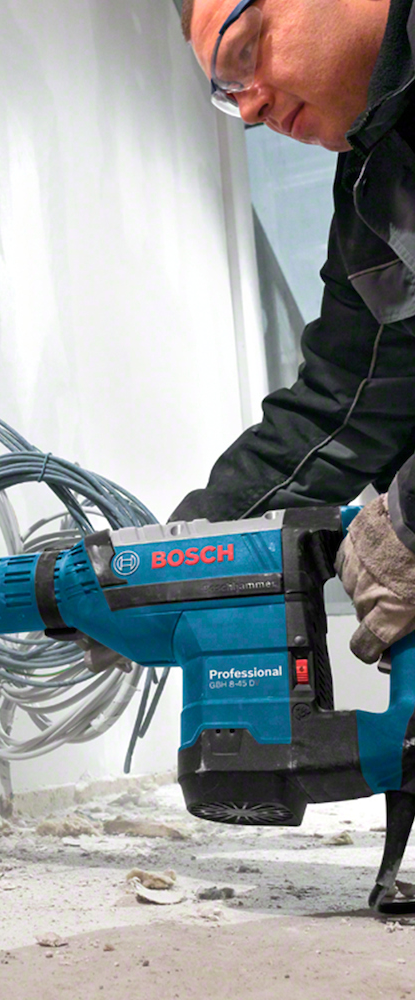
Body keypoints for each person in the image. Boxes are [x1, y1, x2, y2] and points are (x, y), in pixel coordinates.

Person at [172, 0, 415, 665]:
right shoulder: (376, 183)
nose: (251, 109)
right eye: (229, 94)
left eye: (246, 53)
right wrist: (169, 564)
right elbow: (344, 404)